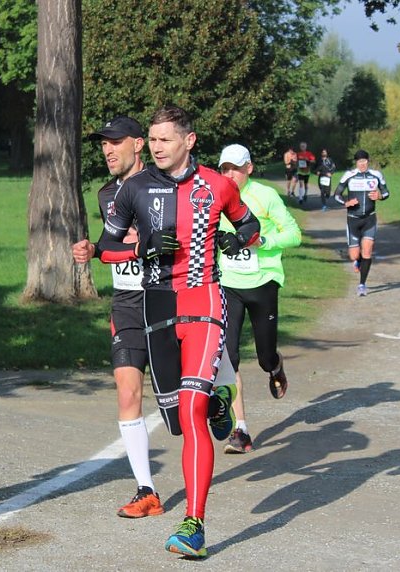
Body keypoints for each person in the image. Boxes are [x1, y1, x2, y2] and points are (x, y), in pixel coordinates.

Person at [96, 105, 261, 558]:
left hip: (204, 299)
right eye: (152, 140)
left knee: (190, 414)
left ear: (189, 140)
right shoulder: (133, 189)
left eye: (165, 139)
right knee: (176, 419)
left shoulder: (218, 184)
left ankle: (194, 524)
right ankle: (218, 400)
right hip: (155, 305)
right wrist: (145, 246)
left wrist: (237, 239)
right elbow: (107, 248)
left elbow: (250, 226)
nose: (157, 147)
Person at [71, 115, 165, 519]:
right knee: (128, 391)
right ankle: (147, 490)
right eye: (103, 143)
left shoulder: (165, 186)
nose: (107, 149)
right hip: (126, 300)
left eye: (115, 141)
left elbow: (169, 244)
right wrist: (93, 249)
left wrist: (135, 244)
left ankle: (219, 393)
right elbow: (111, 244)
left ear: (138, 144)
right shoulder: (106, 193)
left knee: (179, 400)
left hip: (168, 299)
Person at [216, 144, 301, 454]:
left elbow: (293, 234)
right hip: (229, 284)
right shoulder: (216, 196)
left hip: (263, 282)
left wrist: (261, 241)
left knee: (264, 356)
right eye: (225, 169)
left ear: (249, 168)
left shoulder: (265, 196)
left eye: (235, 168)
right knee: (229, 356)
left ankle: (275, 366)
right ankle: (241, 430)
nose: (230, 174)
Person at [333, 149, 390, 296]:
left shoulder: (376, 175)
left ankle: (362, 284)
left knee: (367, 251)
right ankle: (356, 261)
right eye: (360, 162)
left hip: (369, 218)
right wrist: (346, 202)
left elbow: (386, 192)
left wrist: (379, 196)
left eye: (365, 161)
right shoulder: (349, 176)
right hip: (353, 220)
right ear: (356, 163)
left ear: (368, 161)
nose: (362, 164)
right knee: (354, 255)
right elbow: (336, 195)